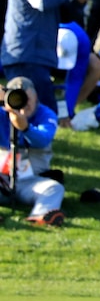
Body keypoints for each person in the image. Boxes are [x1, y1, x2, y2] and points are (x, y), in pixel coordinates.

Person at [2, 0, 94, 111]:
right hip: (26, 56)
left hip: (35, 58)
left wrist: (79, 2)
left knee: (40, 113)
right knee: (41, 112)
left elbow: (61, 15)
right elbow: (41, 1)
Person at [0, 77, 64, 226]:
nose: (24, 104)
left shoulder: (46, 114)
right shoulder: (2, 113)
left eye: (27, 98)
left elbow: (42, 139)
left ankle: (41, 216)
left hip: (30, 181)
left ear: (36, 97)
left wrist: (25, 128)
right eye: (17, 98)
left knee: (54, 188)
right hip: (3, 179)